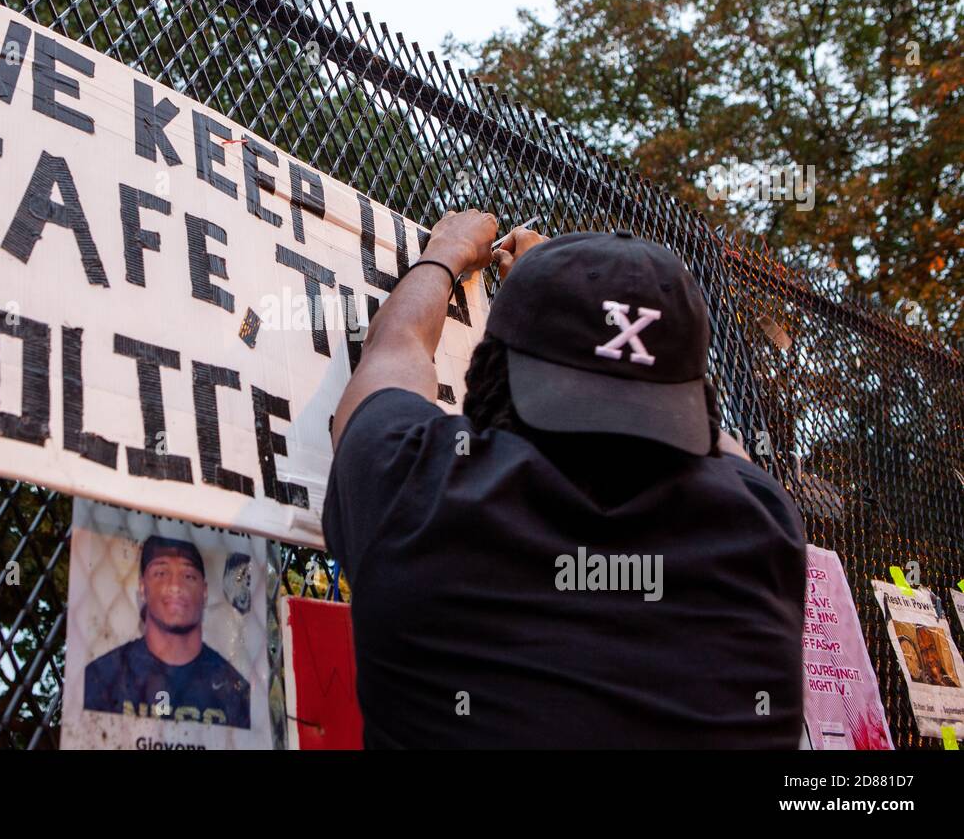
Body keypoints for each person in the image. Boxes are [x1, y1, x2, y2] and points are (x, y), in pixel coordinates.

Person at [323, 210, 806, 748]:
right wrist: (606, 335)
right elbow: (715, 439)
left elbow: (397, 348)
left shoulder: (418, 486)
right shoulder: (763, 528)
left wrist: (449, 253)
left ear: (494, 369)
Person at [83, 535, 250, 727]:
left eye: (188, 576)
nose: (175, 586)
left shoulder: (235, 690)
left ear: (204, 591)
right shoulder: (100, 677)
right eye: (161, 574)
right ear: (143, 587)